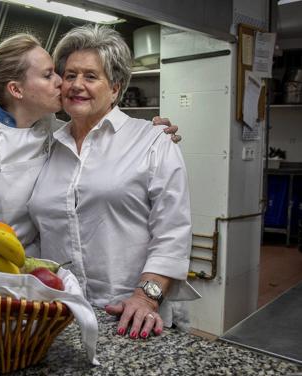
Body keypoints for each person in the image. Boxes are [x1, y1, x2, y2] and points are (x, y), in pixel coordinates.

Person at [0, 33, 179, 252]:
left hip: (34, 275)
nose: (62, 82)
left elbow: (100, 127)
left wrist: (144, 135)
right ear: (17, 89)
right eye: (49, 75)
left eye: (58, 73)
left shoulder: (55, 132)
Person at [27, 25, 199, 340]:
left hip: (131, 316)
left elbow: (172, 234)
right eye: (70, 75)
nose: (77, 85)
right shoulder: (46, 146)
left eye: (91, 76)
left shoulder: (152, 141)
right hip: (60, 315)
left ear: (115, 88)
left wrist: (146, 297)